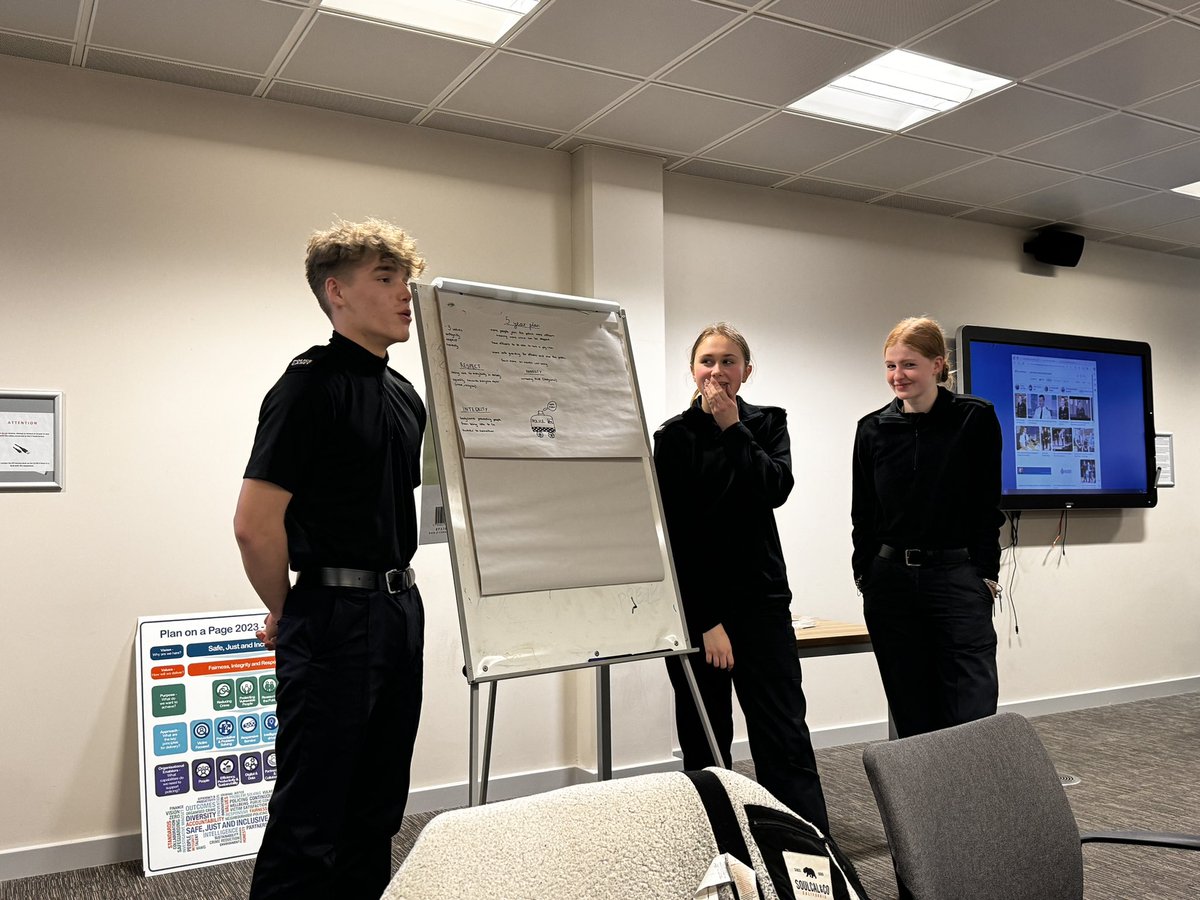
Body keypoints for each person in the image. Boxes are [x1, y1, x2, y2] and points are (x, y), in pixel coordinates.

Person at [234, 218, 427, 900]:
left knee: (377, 808)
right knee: (310, 817)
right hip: (332, 615)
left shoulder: (406, 396)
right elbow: (254, 526)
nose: (406, 294)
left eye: (407, 280)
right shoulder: (308, 387)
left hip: (401, 610)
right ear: (336, 291)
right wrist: (287, 610)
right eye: (386, 278)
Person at [654, 323, 830, 834]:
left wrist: (733, 427)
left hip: (762, 604)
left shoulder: (767, 423)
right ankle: (719, 847)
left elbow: (774, 488)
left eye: (728, 361)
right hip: (699, 612)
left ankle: (806, 850)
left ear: (746, 371)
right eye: (707, 361)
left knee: (784, 736)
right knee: (705, 744)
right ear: (692, 370)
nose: (717, 371)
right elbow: (675, 536)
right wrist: (707, 621)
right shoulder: (672, 438)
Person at [851, 316, 1004, 739]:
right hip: (890, 583)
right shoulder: (872, 429)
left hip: (957, 577)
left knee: (971, 709)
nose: (898, 375)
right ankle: (921, 786)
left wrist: (986, 576)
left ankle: (972, 784)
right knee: (911, 709)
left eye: (909, 364)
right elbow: (863, 512)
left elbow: (987, 505)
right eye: (890, 365)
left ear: (938, 365)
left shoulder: (974, 418)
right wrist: (865, 574)